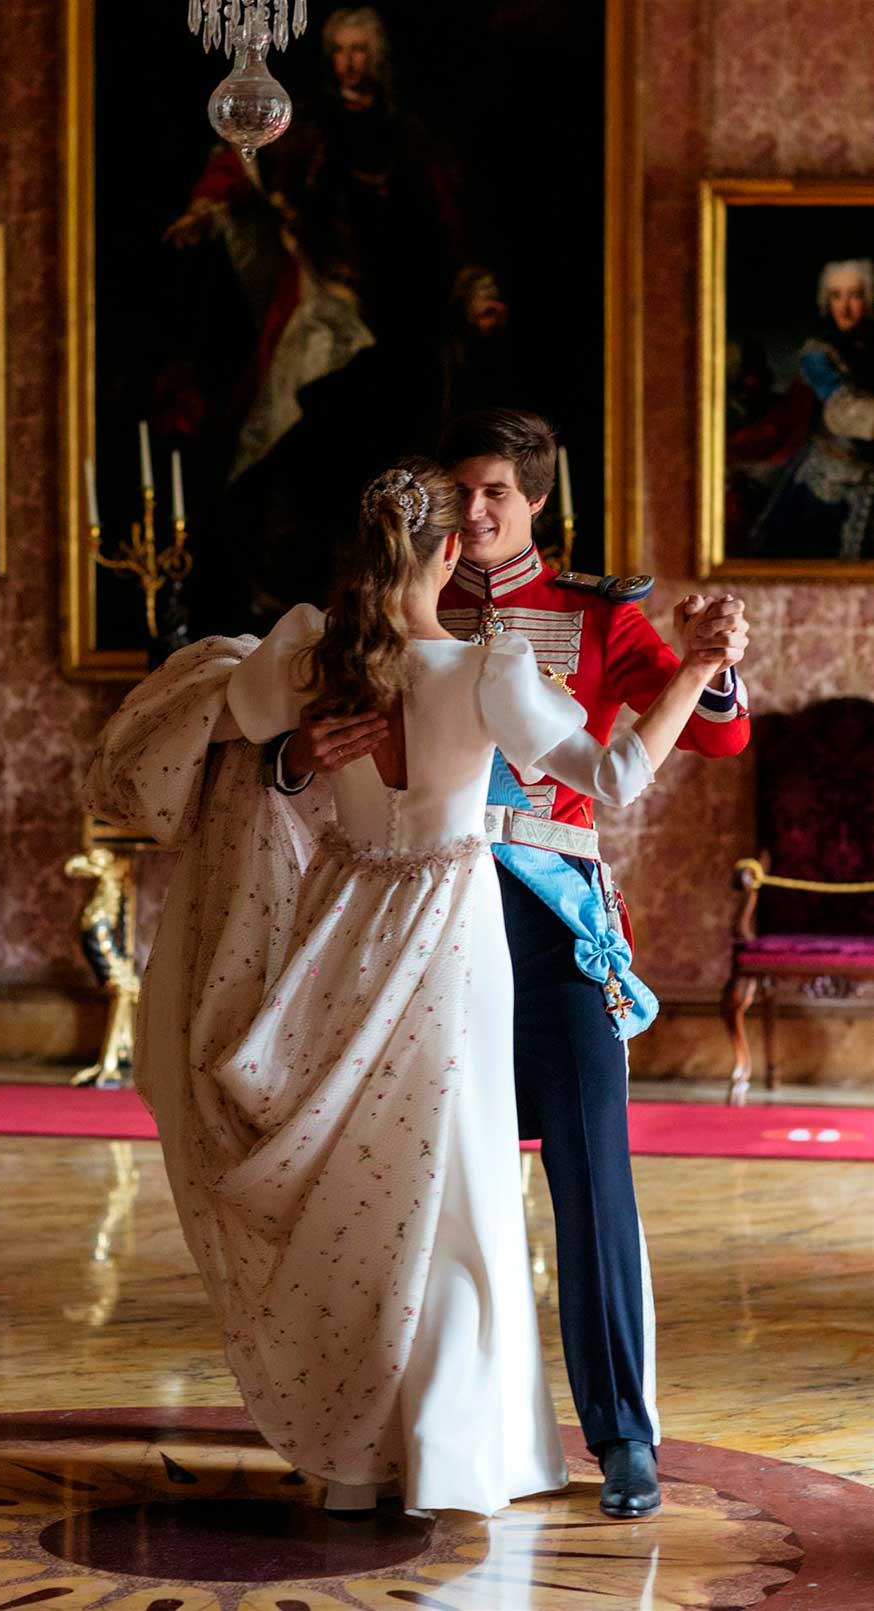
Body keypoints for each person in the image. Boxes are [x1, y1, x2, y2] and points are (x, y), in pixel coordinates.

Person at [86, 455, 734, 1516]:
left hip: (342, 926)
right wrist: (688, 671)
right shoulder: (487, 667)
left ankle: (364, 1455)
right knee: (459, 1186)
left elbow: (209, 739)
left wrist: (295, 752)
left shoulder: (306, 652)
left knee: (367, 1187)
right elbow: (613, 779)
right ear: (442, 549)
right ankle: (453, 1449)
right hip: (450, 930)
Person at [277, 411, 750, 1518]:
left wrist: (713, 667)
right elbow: (272, 737)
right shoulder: (385, 621)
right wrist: (294, 755)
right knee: (421, 1188)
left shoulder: (596, 613)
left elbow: (716, 736)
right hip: (420, 932)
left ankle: (625, 1439)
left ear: (538, 498)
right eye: (462, 494)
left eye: (496, 491)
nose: (476, 514)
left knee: (591, 1175)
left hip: (546, 924)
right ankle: (412, 1430)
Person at [733, 257, 874, 561]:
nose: (845, 307)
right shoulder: (817, 354)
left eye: (855, 295)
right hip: (829, 481)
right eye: (836, 296)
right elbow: (845, 411)